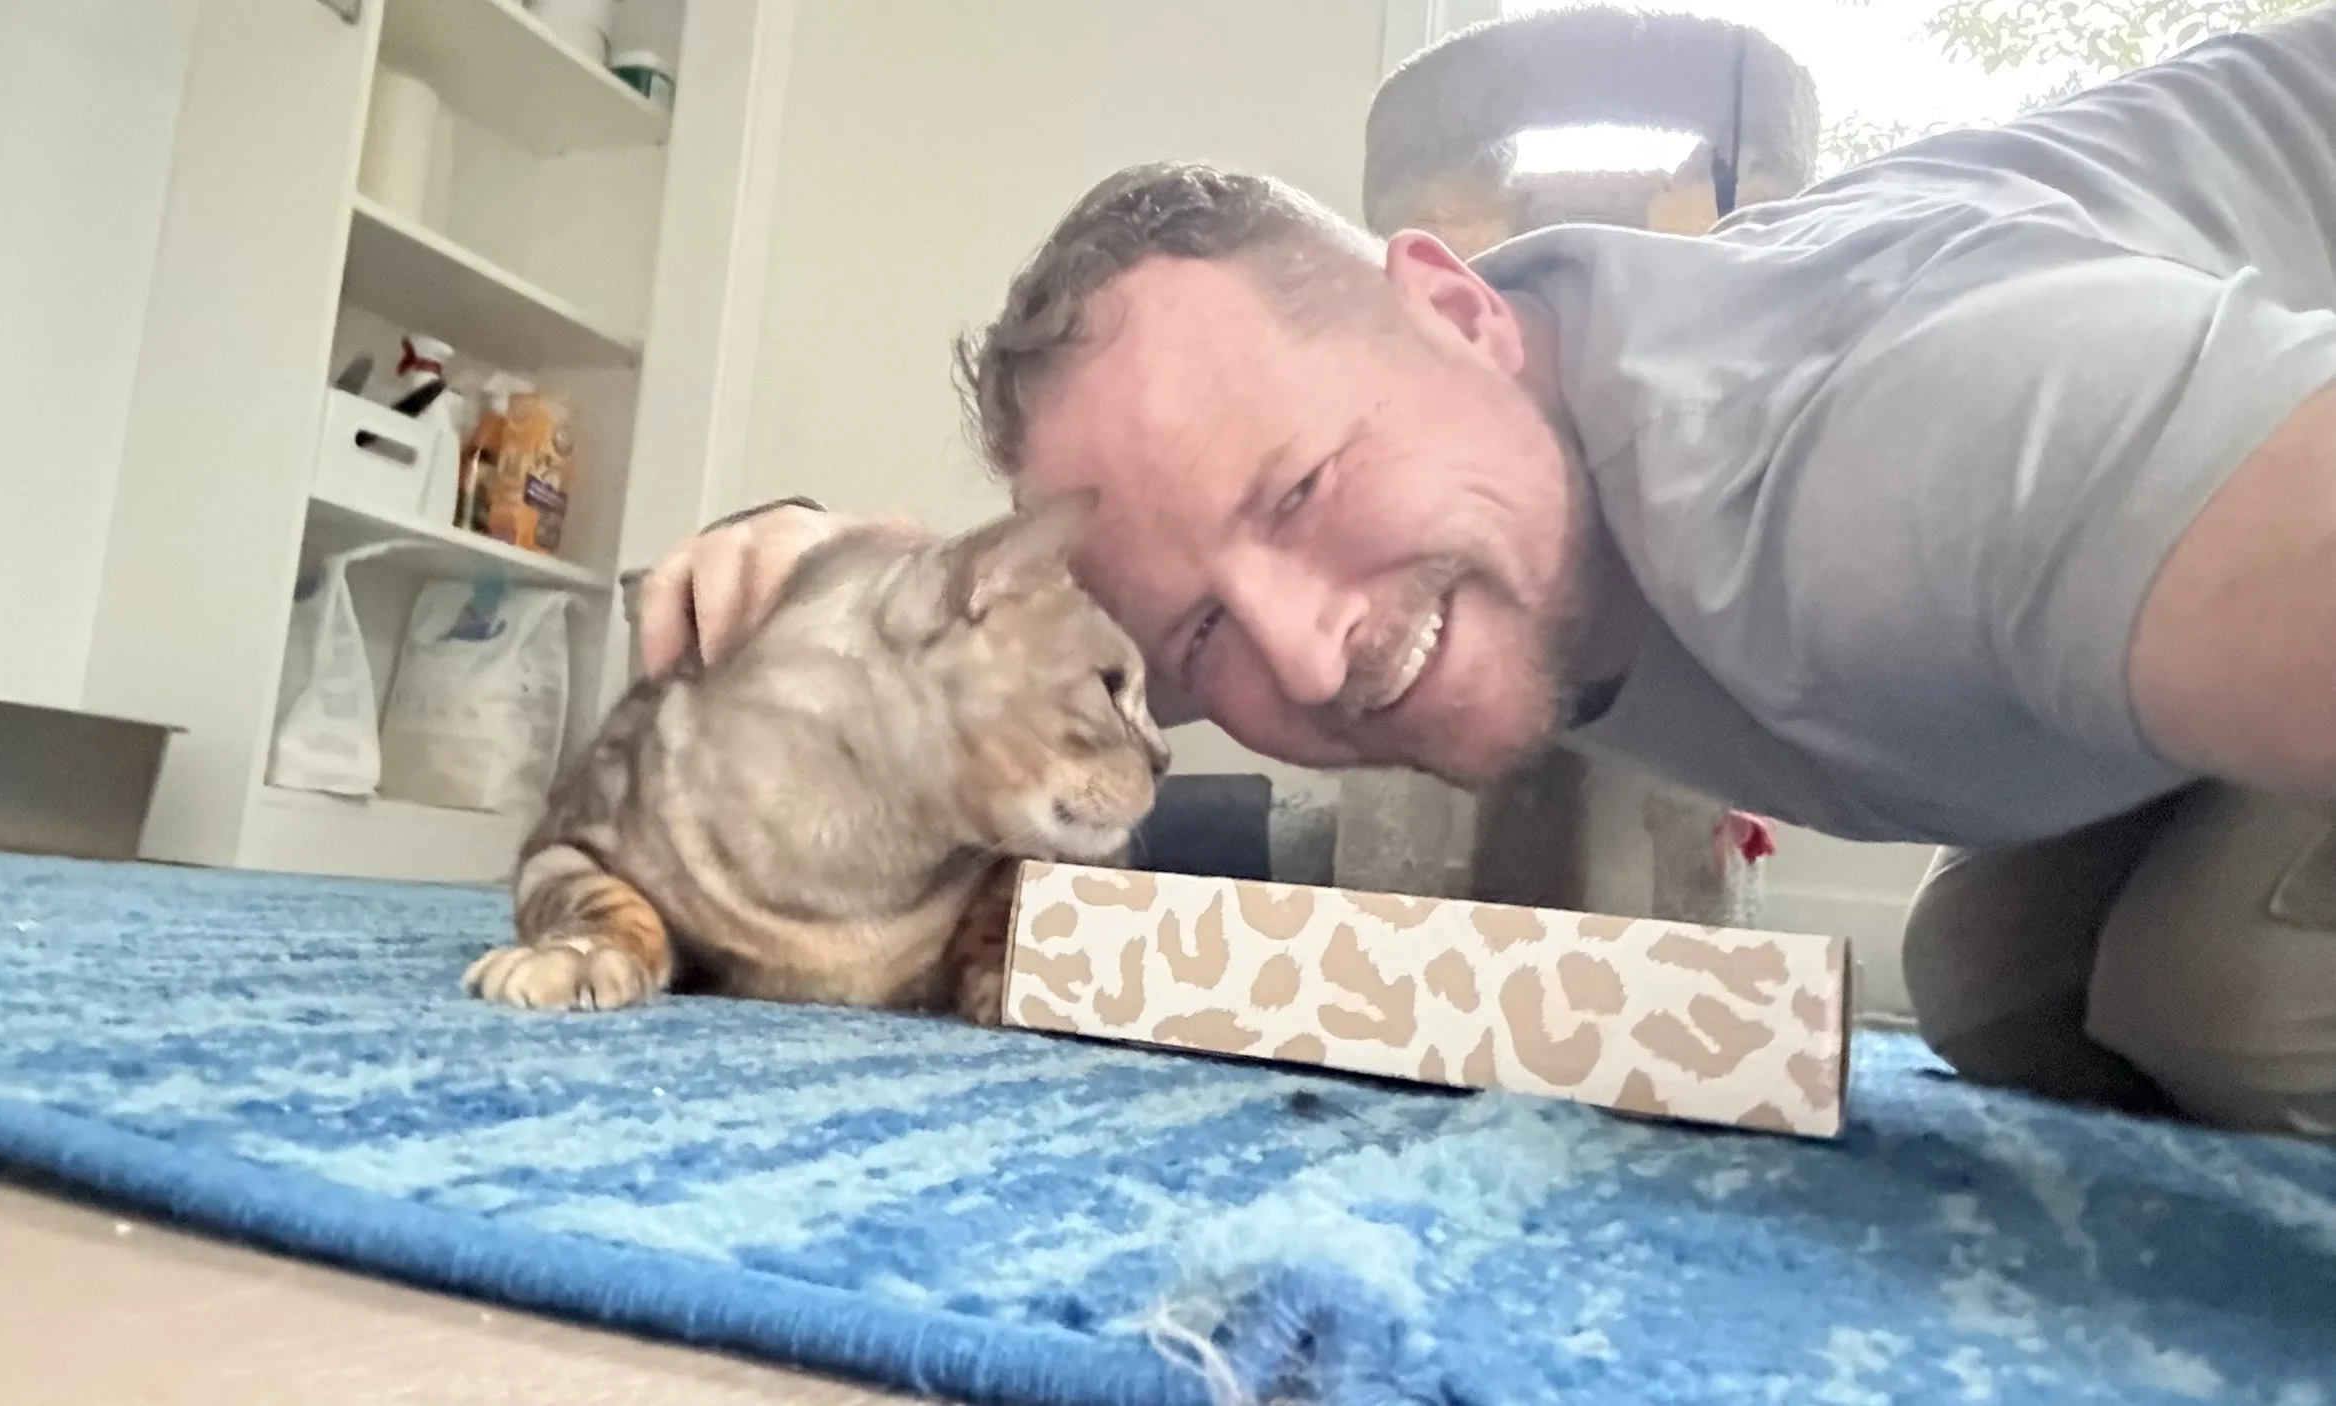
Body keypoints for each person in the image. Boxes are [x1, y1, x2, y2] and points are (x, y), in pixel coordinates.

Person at [635, 11, 2336, 1137]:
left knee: (2220, 996)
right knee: (2001, 976)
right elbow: (1092, 642)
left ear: (1459, 307)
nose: (1305, 658)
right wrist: (845, 611)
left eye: (1301, 486)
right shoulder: (1501, 421)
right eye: (1204, 632)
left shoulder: (1847, 456)